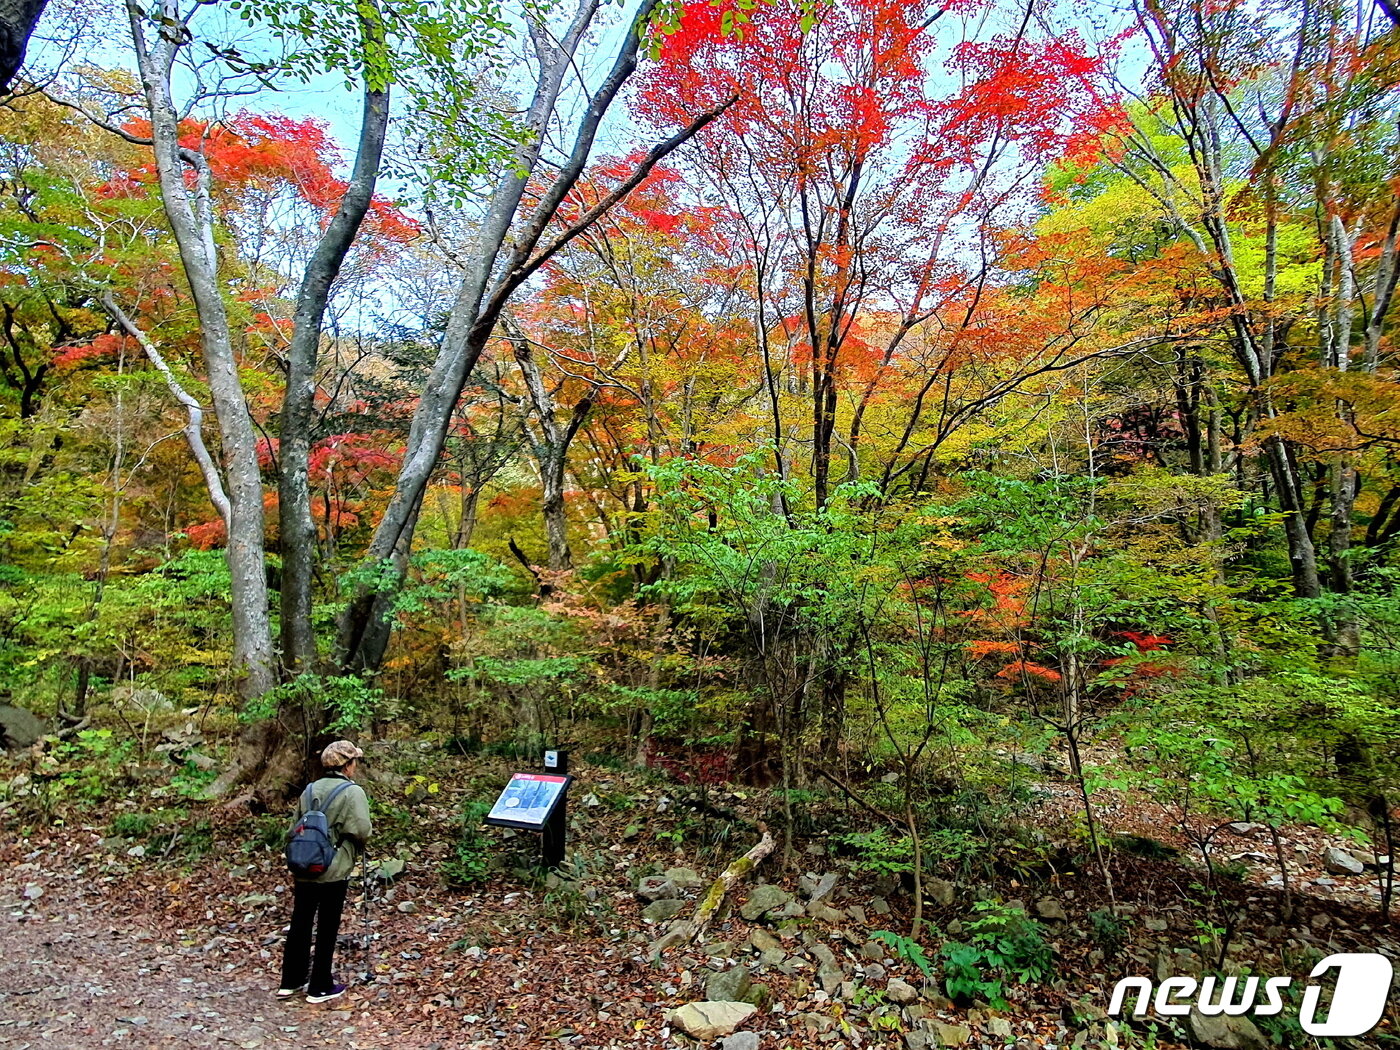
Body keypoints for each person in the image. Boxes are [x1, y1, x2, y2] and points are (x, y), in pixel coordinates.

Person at [277, 739, 372, 1003]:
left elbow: (293, 827)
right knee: (328, 925)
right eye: (355, 762)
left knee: (301, 922)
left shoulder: (309, 790)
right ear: (348, 765)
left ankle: (291, 981)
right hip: (334, 867)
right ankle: (320, 986)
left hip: (304, 865)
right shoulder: (353, 792)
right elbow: (362, 829)